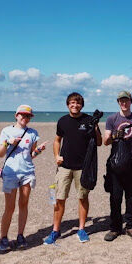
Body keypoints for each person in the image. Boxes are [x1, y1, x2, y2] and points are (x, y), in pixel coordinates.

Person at [44, 92, 102, 245]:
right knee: (59, 199)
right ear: (68, 104)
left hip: (83, 167)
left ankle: (81, 229)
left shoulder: (89, 120)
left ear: (81, 105)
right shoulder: (62, 121)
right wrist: (57, 156)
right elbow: (57, 140)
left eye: (77, 103)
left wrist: (95, 127)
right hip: (64, 167)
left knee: (82, 198)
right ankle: (55, 231)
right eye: (72, 103)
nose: (74, 105)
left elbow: (99, 142)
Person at [0, 105, 47, 250]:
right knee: (10, 207)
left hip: (27, 172)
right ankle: (3, 238)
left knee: (23, 204)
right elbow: (0, 153)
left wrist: (38, 150)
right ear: (16, 115)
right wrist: (8, 142)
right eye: (22, 115)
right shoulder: (6, 131)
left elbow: (31, 155)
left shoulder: (32, 133)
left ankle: (20, 235)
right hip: (11, 172)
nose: (25, 118)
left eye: (28, 116)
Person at [103, 91, 132, 241]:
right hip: (116, 162)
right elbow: (105, 140)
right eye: (121, 100)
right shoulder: (112, 119)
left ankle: (131, 226)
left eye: (126, 100)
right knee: (115, 196)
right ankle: (115, 228)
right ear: (118, 102)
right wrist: (115, 135)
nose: (124, 103)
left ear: (131, 101)